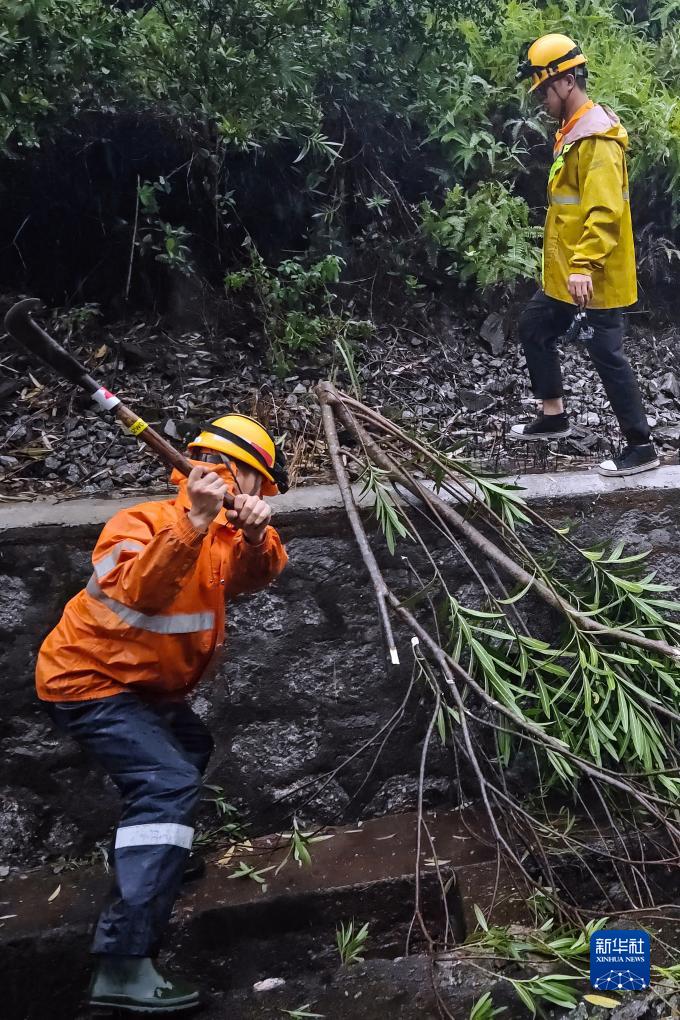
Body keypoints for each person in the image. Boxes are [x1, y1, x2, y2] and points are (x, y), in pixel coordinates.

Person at [36, 413, 289, 1013]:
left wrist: (256, 536)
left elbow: (259, 575)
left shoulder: (227, 535)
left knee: (189, 750)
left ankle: (150, 861)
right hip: (87, 682)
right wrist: (197, 521)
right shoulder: (143, 523)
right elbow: (142, 591)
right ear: (225, 476)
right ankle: (122, 965)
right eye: (252, 482)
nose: (249, 494)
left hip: (142, 689)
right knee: (168, 782)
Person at [510, 33, 659, 477]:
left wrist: (583, 265)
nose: (540, 99)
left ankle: (641, 447)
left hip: (593, 275)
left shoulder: (597, 140)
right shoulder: (573, 131)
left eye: (543, 89)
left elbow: (604, 211)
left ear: (568, 80)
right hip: (567, 273)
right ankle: (553, 416)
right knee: (534, 326)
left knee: (607, 355)